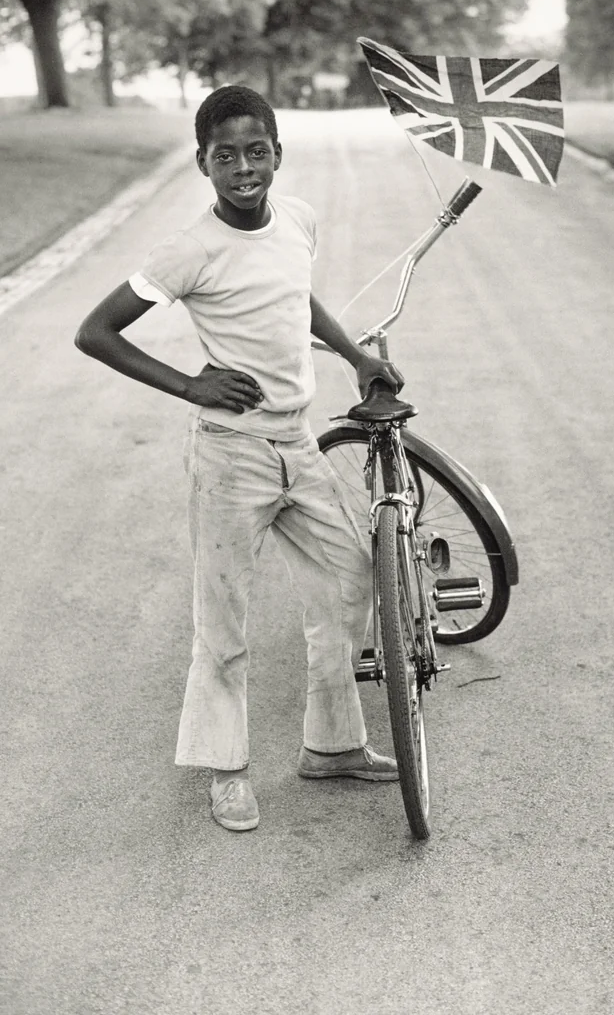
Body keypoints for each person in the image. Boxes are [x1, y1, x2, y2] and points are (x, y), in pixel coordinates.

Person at [75, 84, 405, 832]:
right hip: (232, 457)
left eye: (257, 151)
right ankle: (226, 771)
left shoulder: (298, 220)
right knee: (224, 619)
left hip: (298, 441)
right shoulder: (189, 250)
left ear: (277, 155)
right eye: (226, 155)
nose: (244, 166)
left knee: (351, 577)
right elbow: (96, 332)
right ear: (203, 164)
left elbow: (298, 296)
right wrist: (190, 383)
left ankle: (331, 746)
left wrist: (355, 356)